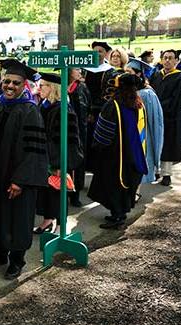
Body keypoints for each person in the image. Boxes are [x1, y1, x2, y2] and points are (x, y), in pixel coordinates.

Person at [0, 62, 48, 279]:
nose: (10, 86)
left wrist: (20, 181)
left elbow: (34, 150)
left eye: (15, 83)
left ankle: (17, 260)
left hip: (15, 179)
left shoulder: (29, 110)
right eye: (6, 81)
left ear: (23, 85)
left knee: (16, 219)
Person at [88, 73, 148, 228]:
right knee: (125, 181)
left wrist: (97, 146)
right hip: (132, 152)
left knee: (113, 183)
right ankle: (120, 212)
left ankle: (118, 217)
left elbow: (103, 133)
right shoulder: (137, 103)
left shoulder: (113, 104)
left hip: (113, 154)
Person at [34, 73, 82, 235]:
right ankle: (47, 221)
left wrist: (60, 164)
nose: (38, 89)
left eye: (43, 85)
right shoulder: (45, 105)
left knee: (58, 194)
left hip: (57, 160)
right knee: (47, 193)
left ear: (53, 88)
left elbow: (69, 141)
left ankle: (62, 227)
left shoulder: (63, 110)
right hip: (44, 157)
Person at [150, 49, 181, 186]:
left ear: (176, 61)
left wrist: (158, 106)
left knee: (168, 145)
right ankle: (155, 170)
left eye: (170, 58)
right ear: (161, 60)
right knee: (155, 142)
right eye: (165, 58)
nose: (167, 60)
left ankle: (166, 174)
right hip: (155, 115)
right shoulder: (156, 75)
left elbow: (177, 99)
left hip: (170, 117)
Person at [125, 58, 164, 189]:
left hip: (143, 135)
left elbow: (155, 121)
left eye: (129, 72)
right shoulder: (125, 92)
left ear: (139, 74)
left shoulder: (147, 94)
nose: (125, 74)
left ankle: (136, 191)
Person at [83, 41, 114, 171]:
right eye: (94, 51)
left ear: (106, 54)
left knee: (97, 138)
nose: (96, 54)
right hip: (84, 108)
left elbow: (109, 93)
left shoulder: (110, 72)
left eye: (100, 51)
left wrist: (94, 111)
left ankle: (97, 166)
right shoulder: (84, 69)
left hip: (100, 111)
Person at [67, 68, 91, 207]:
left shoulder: (81, 87)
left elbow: (86, 109)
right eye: (76, 69)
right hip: (66, 129)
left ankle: (75, 194)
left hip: (79, 131)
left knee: (77, 162)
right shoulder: (63, 85)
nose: (80, 71)